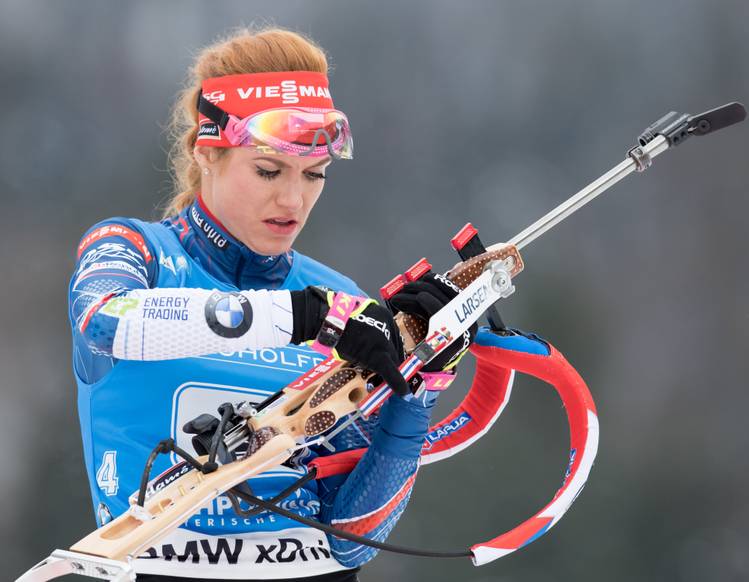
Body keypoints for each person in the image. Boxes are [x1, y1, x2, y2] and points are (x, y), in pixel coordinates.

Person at [68, 27, 473, 581]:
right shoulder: (134, 250)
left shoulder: (340, 297)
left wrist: (419, 384)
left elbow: (355, 539)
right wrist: (305, 317)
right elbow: (104, 320)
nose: (293, 199)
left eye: (315, 176)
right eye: (268, 171)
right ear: (206, 152)